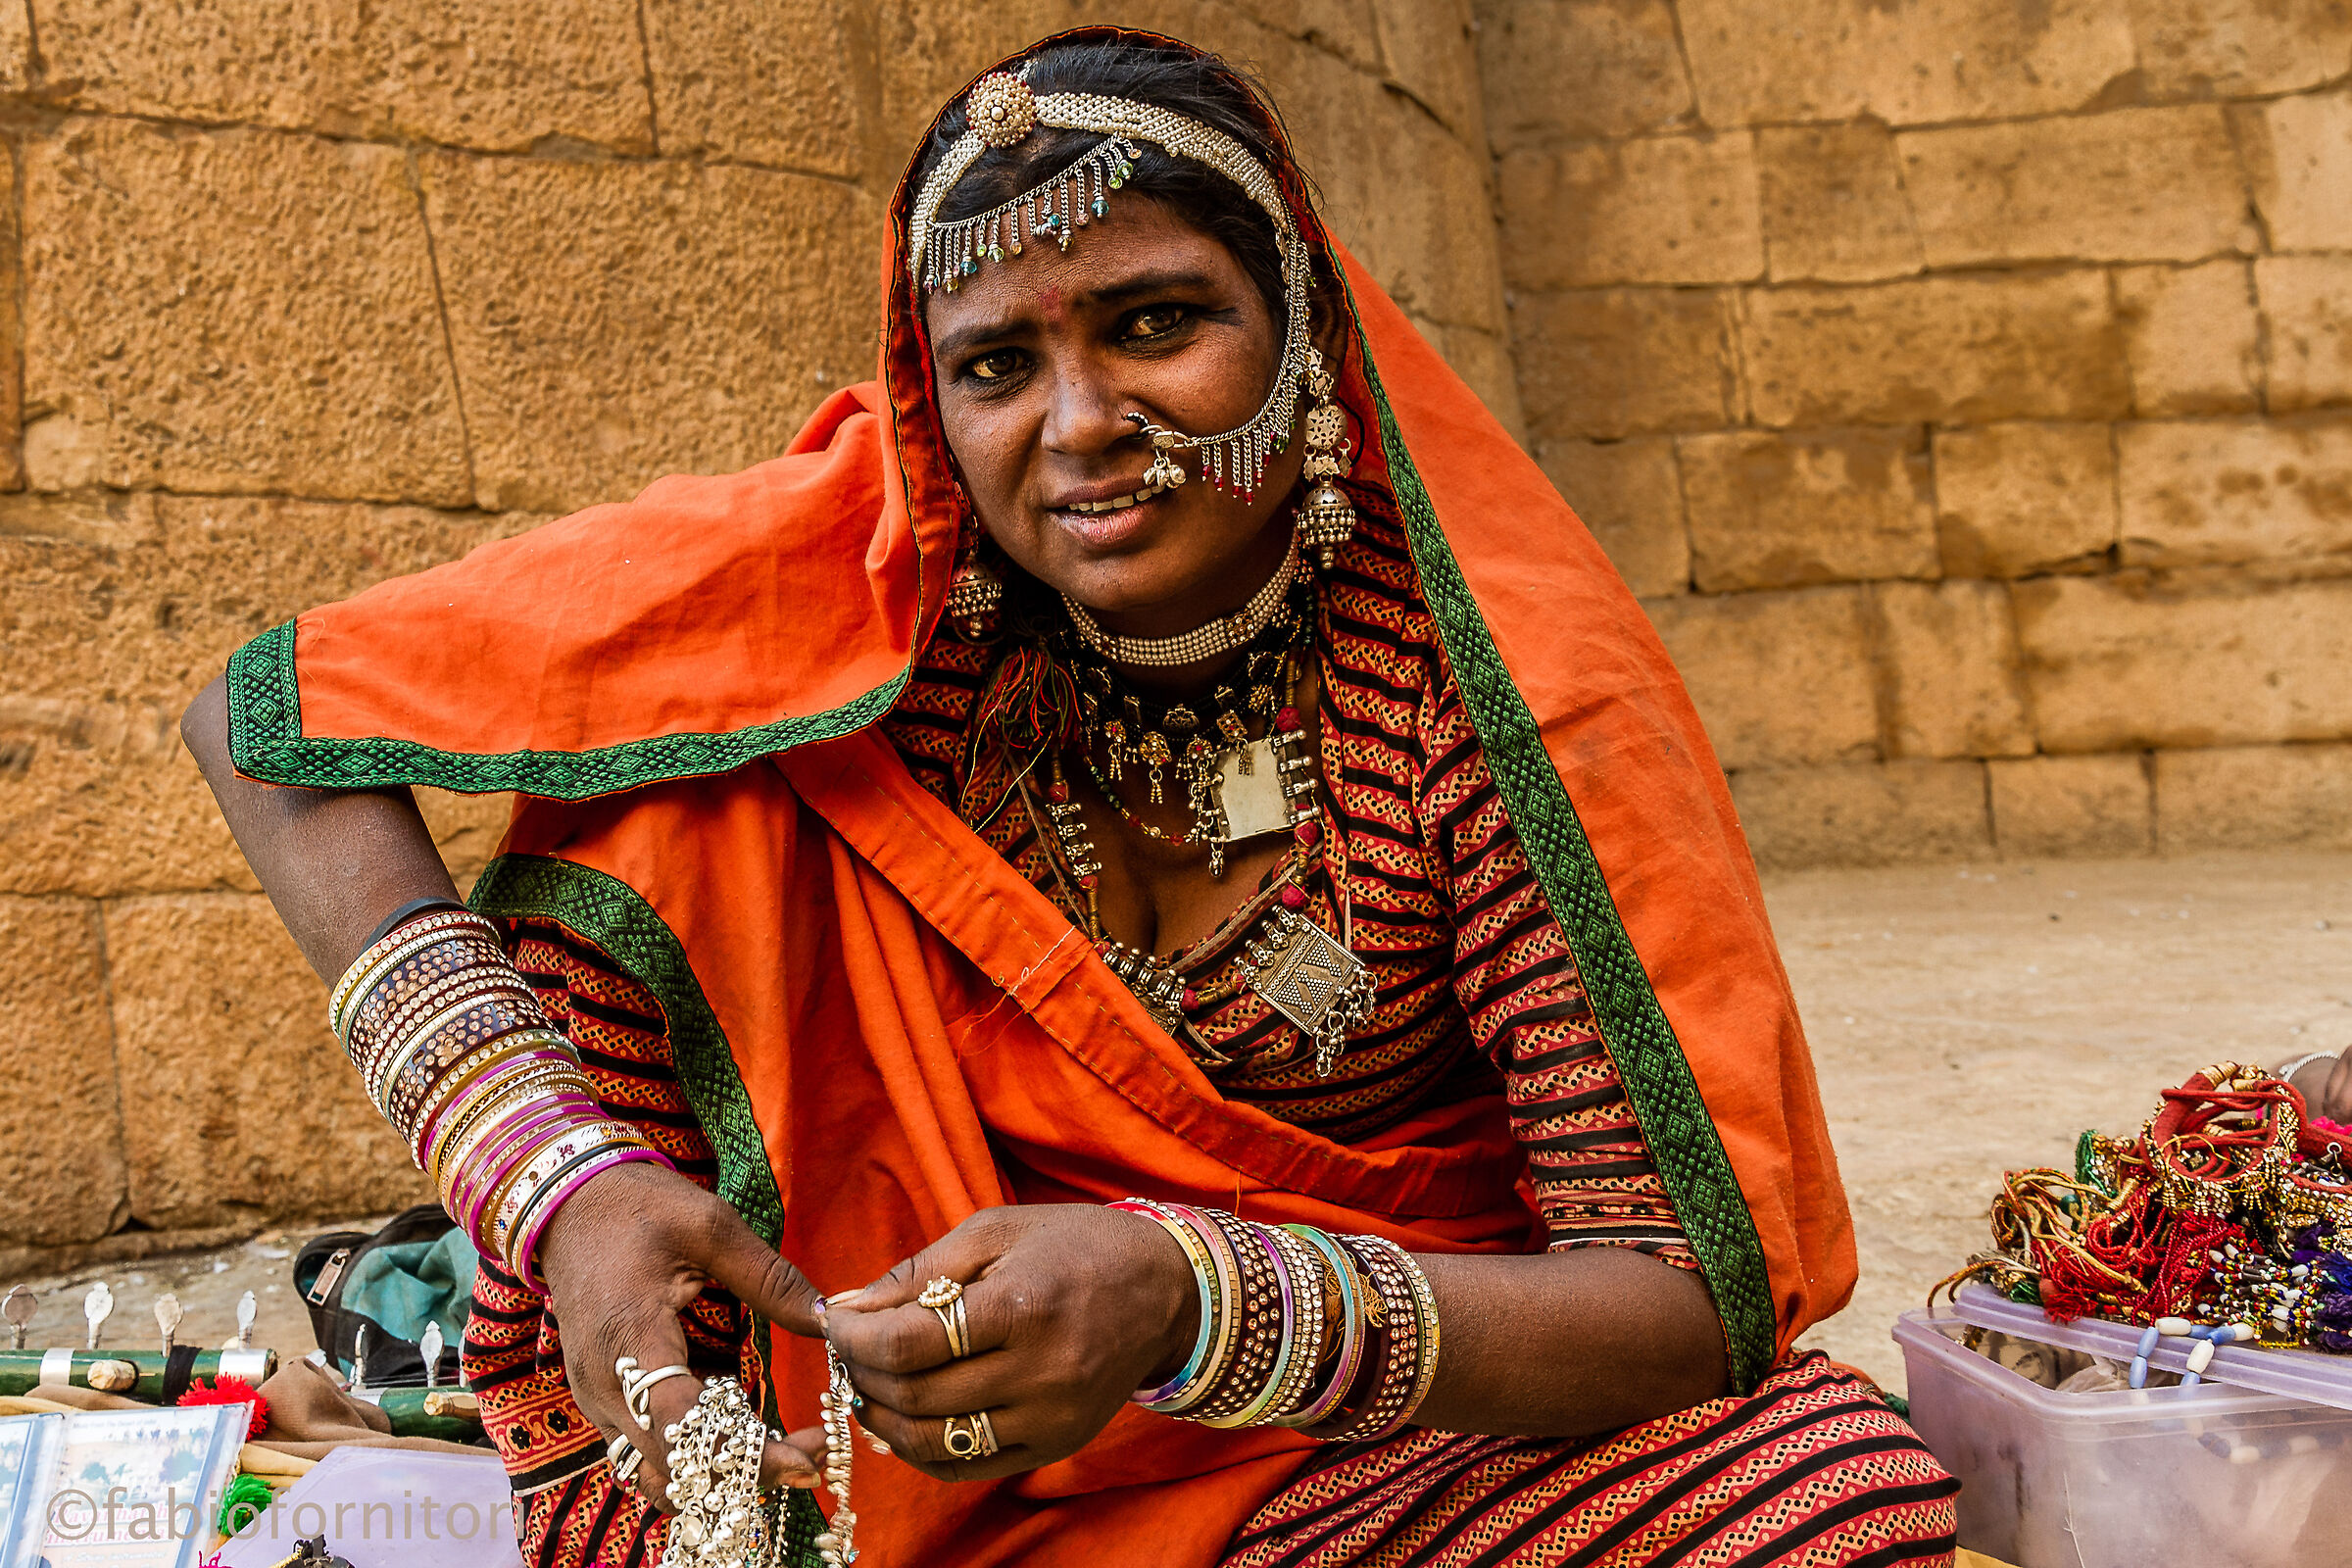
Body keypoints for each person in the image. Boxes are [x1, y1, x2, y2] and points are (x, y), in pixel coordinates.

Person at [183, 27, 1964, 1567]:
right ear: (927, 393)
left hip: (1336, 1455)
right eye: (996, 365)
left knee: (1831, 1494)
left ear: (1308, 335)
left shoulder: (1484, 704)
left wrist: (1193, 1302)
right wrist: (555, 1185)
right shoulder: (863, 588)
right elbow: (269, 723)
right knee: (686, 797)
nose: (1079, 421)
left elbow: (1675, 1295)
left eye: (1156, 322)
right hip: (833, 1438)